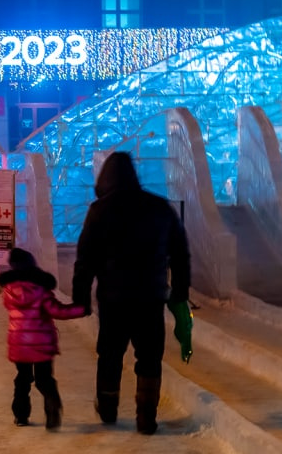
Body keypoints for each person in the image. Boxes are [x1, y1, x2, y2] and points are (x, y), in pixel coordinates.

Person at [72, 151, 193, 435]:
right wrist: (179, 293)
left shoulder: (99, 210)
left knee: (110, 355)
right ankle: (146, 418)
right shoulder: (160, 208)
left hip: (113, 299)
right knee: (149, 358)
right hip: (150, 298)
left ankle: (108, 409)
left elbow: (85, 258)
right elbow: (180, 254)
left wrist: (80, 298)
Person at [0, 247, 86, 430]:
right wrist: (82, 309)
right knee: (44, 379)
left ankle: (21, 415)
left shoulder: (9, 291)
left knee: (22, 379)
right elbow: (58, 311)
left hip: (19, 344)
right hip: (42, 345)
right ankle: (52, 405)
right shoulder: (41, 290)